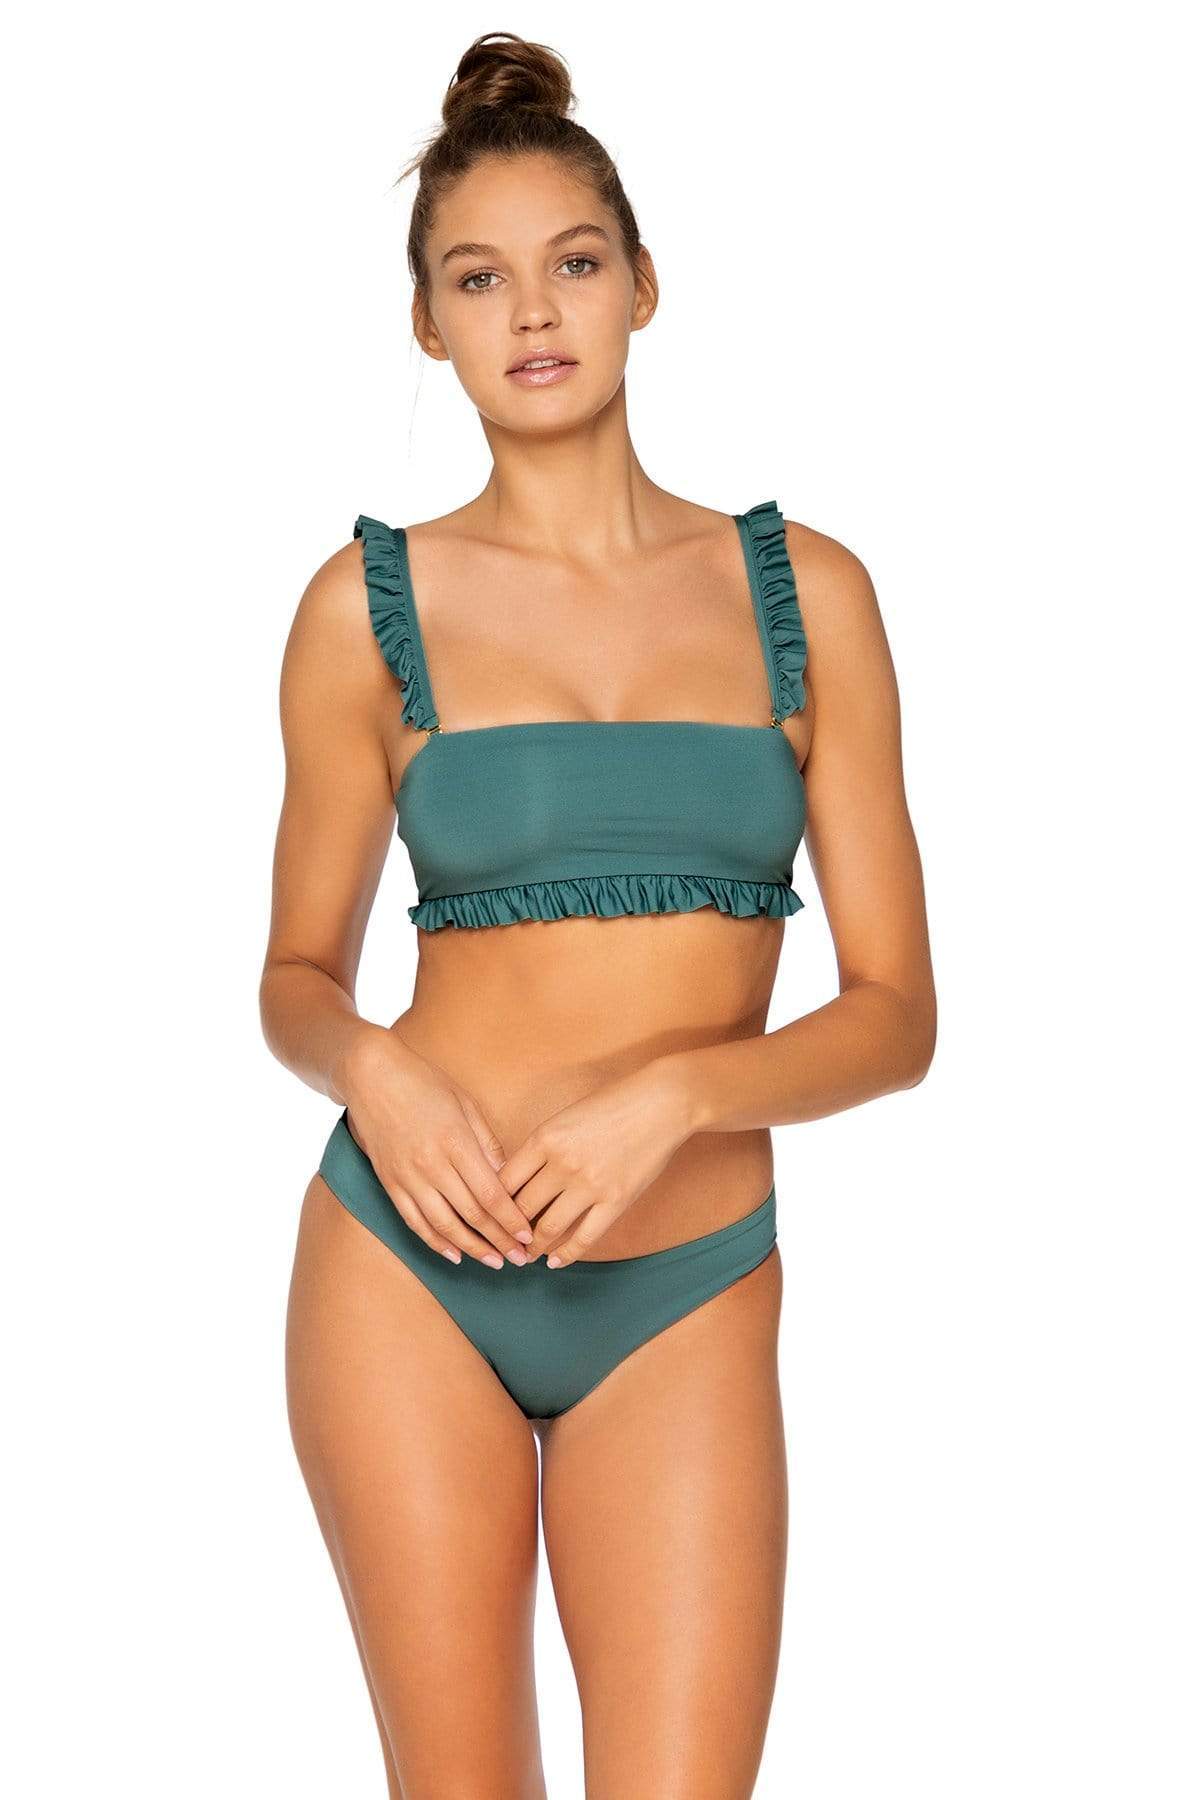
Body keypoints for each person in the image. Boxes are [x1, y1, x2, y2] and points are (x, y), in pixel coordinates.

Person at [260, 29, 936, 1799]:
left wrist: (682, 1093)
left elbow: (897, 1014)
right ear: (429, 324)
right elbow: (296, 976)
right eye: (477, 279)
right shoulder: (363, 609)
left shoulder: (809, 595)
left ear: (643, 285)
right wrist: (376, 1075)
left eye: (571, 263)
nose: (532, 312)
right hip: (408, 1270)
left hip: (689, 1283)